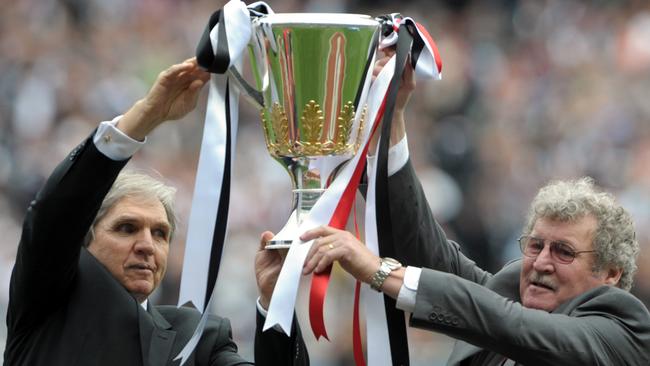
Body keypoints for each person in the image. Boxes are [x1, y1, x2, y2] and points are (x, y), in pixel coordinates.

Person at [295, 59, 650, 364]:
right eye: (536, 245)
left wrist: (379, 271)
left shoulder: (621, 331)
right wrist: (391, 119)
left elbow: (505, 321)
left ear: (610, 274)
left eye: (564, 251)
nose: (541, 262)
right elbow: (429, 256)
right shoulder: (512, 293)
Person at [4, 58, 306, 366]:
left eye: (160, 233)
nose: (147, 245)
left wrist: (276, 301)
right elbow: (56, 215)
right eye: (126, 228)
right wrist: (146, 117)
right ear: (85, 240)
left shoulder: (197, 339)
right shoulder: (46, 303)